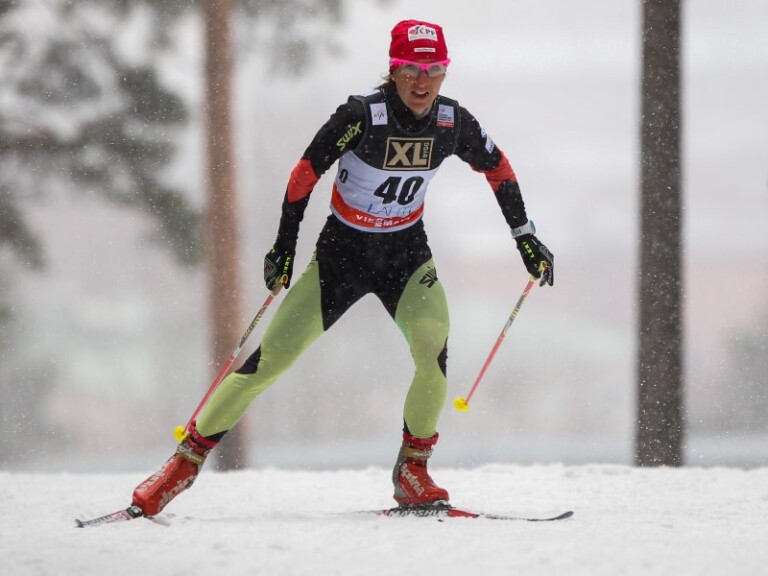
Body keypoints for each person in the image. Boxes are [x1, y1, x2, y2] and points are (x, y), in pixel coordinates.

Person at [131, 19, 554, 516]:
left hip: (405, 255)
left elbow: (498, 168)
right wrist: (284, 246)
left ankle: (413, 473)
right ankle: (180, 467)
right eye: (411, 69)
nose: (422, 82)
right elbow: (304, 173)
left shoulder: (451, 122)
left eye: (434, 70)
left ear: (445, 71)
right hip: (343, 257)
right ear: (393, 69)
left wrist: (525, 237)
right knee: (268, 362)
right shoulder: (362, 115)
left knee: (433, 351)